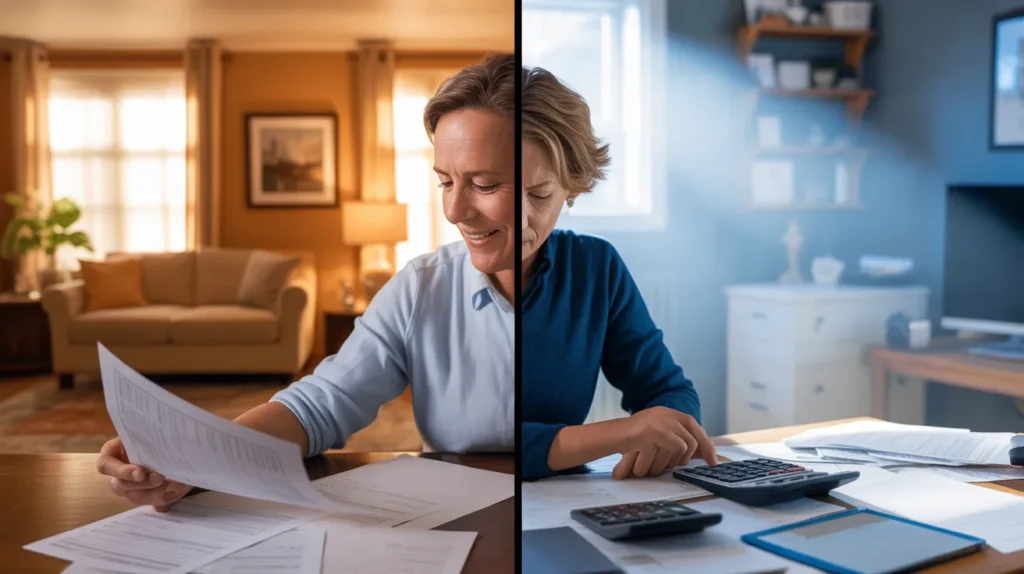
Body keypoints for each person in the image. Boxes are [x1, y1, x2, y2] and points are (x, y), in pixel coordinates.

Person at [95, 54, 516, 511]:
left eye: (485, 185)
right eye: (444, 183)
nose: (453, 212)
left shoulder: (580, 279)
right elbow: (321, 404)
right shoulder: (421, 287)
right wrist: (193, 458)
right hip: (464, 515)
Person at [521, 65, 718, 481]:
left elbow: (668, 390)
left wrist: (663, 438)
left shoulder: (595, 265)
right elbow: (480, 445)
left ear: (572, 187)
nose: (519, 220)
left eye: (539, 194)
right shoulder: (439, 285)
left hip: (565, 498)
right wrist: (621, 433)